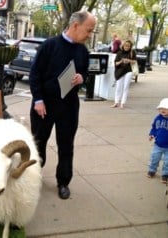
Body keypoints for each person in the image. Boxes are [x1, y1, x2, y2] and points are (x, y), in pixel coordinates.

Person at [29, 11, 96, 200]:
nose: (90, 34)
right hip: (45, 105)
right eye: (89, 30)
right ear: (75, 25)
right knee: (38, 142)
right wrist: (38, 100)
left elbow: (86, 72)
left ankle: (63, 182)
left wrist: (82, 77)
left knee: (66, 145)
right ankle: (33, 177)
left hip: (69, 107)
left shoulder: (82, 50)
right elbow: (34, 75)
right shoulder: (49, 46)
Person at [147, 98, 168, 184]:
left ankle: (165, 175)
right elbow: (154, 127)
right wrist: (152, 134)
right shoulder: (158, 118)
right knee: (154, 158)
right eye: (161, 108)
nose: (162, 110)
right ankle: (152, 170)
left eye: (165, 108)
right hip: (158, 145)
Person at [111, 40, 136, 109]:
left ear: (130, 47)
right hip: (120, 72)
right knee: (118, 87)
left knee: (126, 87)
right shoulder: (119, 53)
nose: (126, 47)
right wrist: (121, 61)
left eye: (128, 46)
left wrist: (129, 61)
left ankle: (122, 103)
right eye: (125, 46)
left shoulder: (132, 52)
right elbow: (116, 63)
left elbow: (134, 61)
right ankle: (116, 102)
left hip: (128, 71)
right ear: (123, 46)